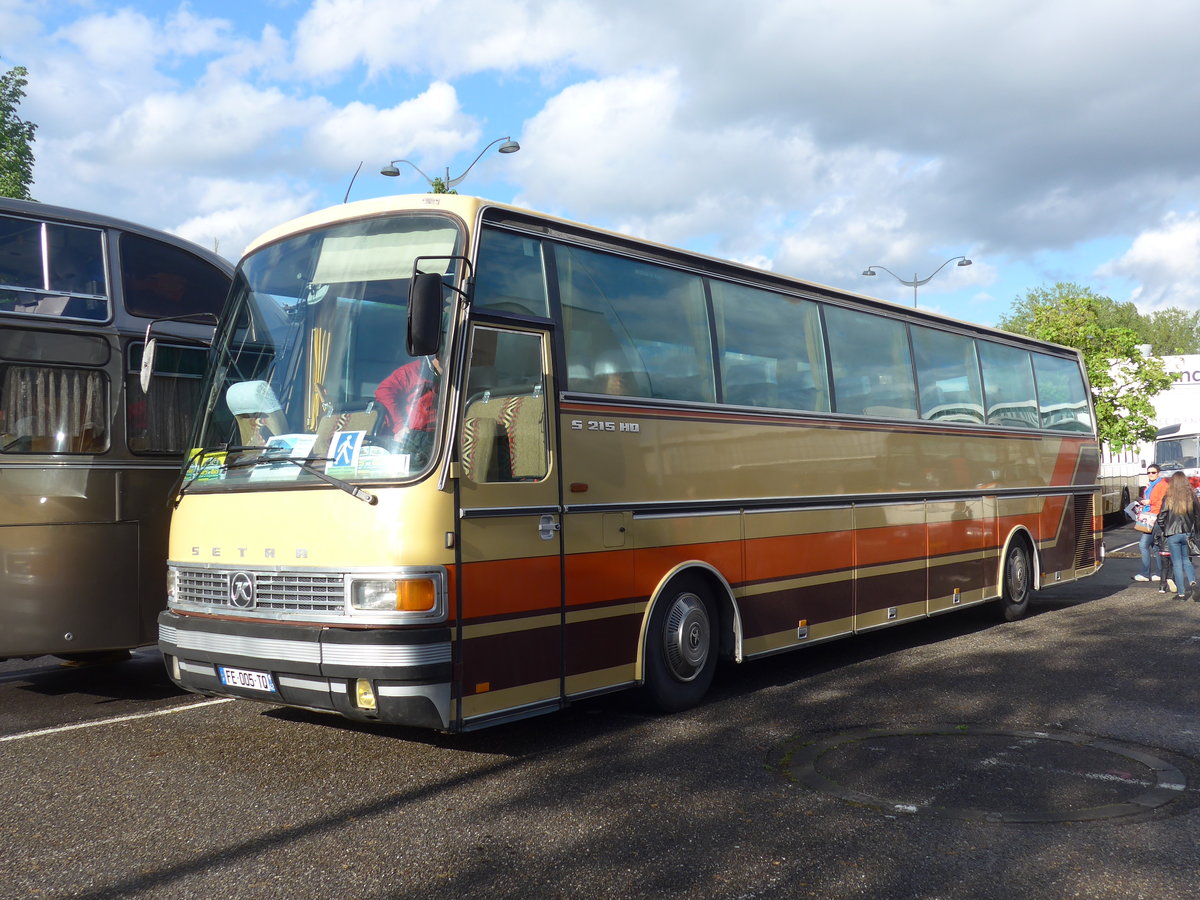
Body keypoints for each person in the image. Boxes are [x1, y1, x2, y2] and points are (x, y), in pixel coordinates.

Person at [374, 354, 441, 462]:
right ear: (435, 357)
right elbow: (383, 392)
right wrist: (399, 426)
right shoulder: (411, 372)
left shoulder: (455, 377)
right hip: (413, 437)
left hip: (441, 435)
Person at [1151, 471, 1200, 601]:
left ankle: (1182, 593)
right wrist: (1195, 533)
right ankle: (1192, 582)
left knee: (1177, 563)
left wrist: (1165, 529)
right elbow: (1197, 517)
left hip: (1172, 534)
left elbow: (1161, 518)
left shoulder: (1169, 497)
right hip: (1187, 533)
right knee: (1187, 560)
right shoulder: (1192, 497)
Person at [1134, 466, 1169, 582]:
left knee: (1143, 545)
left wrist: (1149, 502)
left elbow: (1162, 502)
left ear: (1159, 473)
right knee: (1155, 546)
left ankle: (1145, 573)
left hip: (1154, 517)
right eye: (1148, 472)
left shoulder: (1162, 485)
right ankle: (1159, 573)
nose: (1150, 474)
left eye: (1153, 472)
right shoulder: (1151, 485)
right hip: (1150, 516)